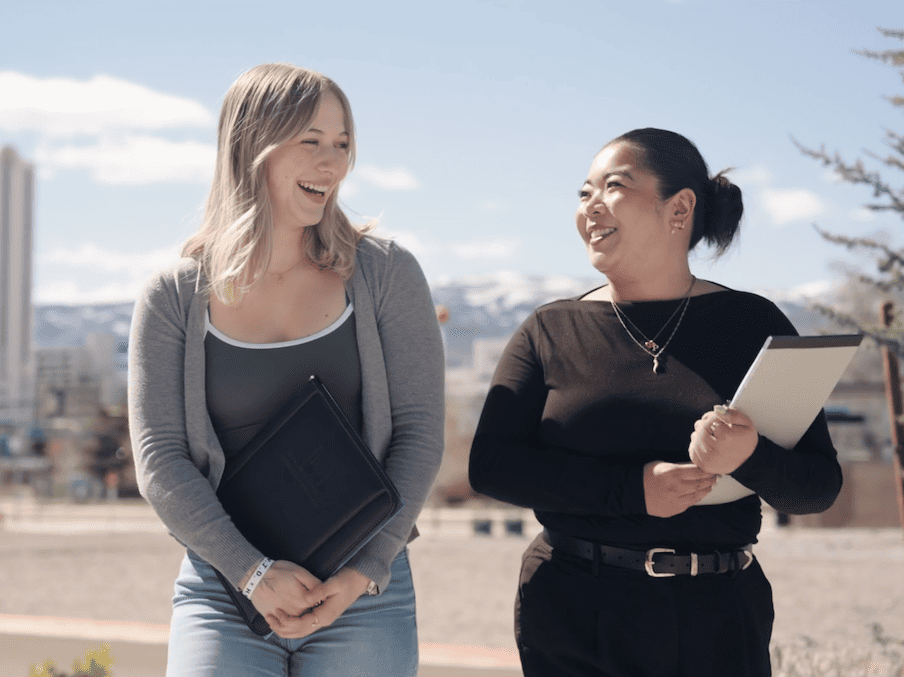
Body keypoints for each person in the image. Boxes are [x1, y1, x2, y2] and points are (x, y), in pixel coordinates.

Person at [469, 128, 842, 677]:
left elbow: (818, 487)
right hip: (572, 609)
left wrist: (750, 455)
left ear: (679, 210)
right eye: (582, 193)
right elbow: (493, 467)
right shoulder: (549, 329)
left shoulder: (754, 324)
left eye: (613, 187)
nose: (590, 207)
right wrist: (631, 490)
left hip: (718, 615)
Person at [128, 63, 444, 677]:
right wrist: (252, 573)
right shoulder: (173, 295)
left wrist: (362, 571)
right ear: (253, 145)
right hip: (223, 589)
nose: (333, 163)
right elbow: (160, 459)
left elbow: (420, 430)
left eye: (343, 144)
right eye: (311, 142)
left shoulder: (385, 273)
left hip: (364, 592)